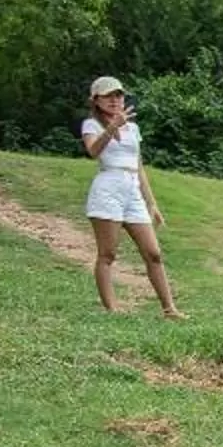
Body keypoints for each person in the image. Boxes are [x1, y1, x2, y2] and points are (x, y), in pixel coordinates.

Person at [79, 75, 181, 319]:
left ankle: (170, 309)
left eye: (118, 95)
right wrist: (113, 126)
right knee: (108, 254)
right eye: (108, 96)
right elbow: (93, 151)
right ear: (96, 100)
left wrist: (151, 202)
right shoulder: (91, 125)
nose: (115, 100)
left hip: (131, 191)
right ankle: (112, 308)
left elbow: (139, 166)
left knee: (153, 253)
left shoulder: (133, 128)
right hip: (107, 190)